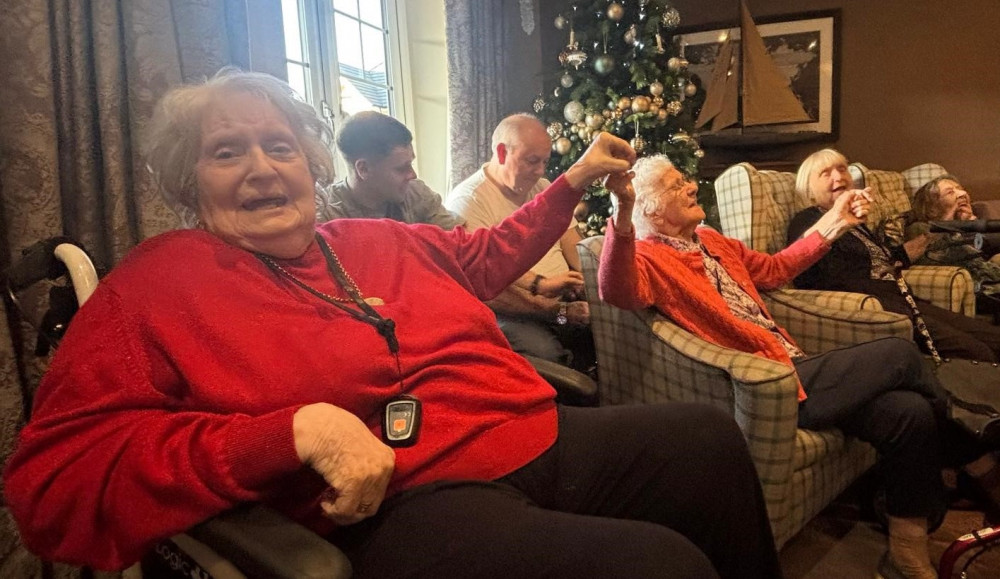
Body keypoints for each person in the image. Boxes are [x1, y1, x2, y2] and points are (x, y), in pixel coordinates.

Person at [3, 70, 782, 579]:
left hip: (533, 431)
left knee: (706, 439)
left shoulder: (372, 237)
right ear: (187, 181)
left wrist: (573, 179)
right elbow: (52, 484)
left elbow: (487, 254)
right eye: (226, 152)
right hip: (410, 500)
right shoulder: (160, 281)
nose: (262, 167)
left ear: (312, 164)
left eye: (279, 146)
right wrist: (289, 433)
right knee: (658, 566)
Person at [599, 154, 998, 579]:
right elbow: (616, 289)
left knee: (909, 412)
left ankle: (905, 551)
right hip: (763, 384)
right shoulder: (647, 257)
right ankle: (979, 451)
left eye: (686, 179)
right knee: (899, 354)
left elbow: (776, 269)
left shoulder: (712, 241)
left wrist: (836, 221)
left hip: (794, 363)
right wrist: (622, 210)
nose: (692, 186)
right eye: (676, 185)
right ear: (651, 209)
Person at [787, 149, 1000, 362]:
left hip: (902, 299)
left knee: (993, 337)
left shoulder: (856, 224)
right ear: (809, 190)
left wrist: (929, 236)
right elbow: (807, 273)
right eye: (826, 173)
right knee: (978, 352)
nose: (838, 176)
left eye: (842, 169)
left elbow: (888, 260)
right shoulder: (807, 221)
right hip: (877, 308)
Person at [446, 114, 594, 370]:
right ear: (502, 153)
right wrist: (555, 310)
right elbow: (485, 288)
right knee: (545, 353)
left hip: (560, 303)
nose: (540, 171)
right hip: (512, 310)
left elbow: (574, 246)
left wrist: (589, 283)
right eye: (532, 161)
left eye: (545, 161)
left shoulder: (543, 187)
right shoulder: (469, 201)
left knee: (607, 325)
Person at [322, 110, 463, 229]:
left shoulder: (417, 194)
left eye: (411, 164)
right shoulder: (327, 217)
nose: (413, 175)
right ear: (364, 169)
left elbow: (461, 243)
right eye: (401, 168)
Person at [909, 175, 1000, 315]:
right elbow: (944, 255)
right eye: (950, 192)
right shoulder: (920, 229)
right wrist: (953, 222)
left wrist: (969, 224)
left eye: (960, 189)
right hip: (978, 291)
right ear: (932, 209)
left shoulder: (970, 226)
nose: (962, 194)